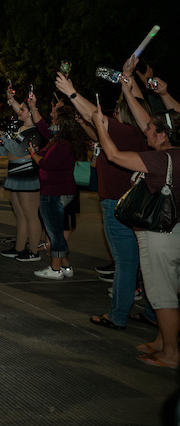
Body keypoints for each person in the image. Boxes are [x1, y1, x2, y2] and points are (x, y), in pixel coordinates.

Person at [56, 69, 153, 329]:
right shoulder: (145, 136)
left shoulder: (126, 133)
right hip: (140, 205)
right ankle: (154, 314)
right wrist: (130, 82)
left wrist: (71, 91)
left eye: (120, 108)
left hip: (117, 204)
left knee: (126, 263)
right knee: (146, 263)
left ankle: (118, 315)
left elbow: (93, 114)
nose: (116, 111)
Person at [93, 106, 180, 368]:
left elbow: (114, 155)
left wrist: (100, 125)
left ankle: (171, 354)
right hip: (173, 232)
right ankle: (162, 342)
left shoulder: (162, 159)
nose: (147, 133)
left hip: (159, 236)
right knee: (169, 292)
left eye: (151, 130)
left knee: (162, 297)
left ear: (163, 135)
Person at [28, 99, 89, 280]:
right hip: (57, 189)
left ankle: (55, 270)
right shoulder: (62, 138)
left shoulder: (63, 143)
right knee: (56, 230)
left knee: (55, 232)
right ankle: (66, 266)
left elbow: (46, 164)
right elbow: (43, 128)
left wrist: (33, 155)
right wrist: (33, 107)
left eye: (54, 114)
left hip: (56, 191)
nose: (51, 117)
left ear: (61, 121)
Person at [0, 86, 45, 261]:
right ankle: (20, 247)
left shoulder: (36, 131)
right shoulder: (20, 129)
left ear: (30, 113)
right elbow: (6, 152)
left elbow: (20, 149)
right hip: (14, 175)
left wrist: (4, 137)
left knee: (30, 214)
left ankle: (33, 251)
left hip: (28, 175)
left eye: (22, 109)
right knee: (20, 214)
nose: (19, 111)